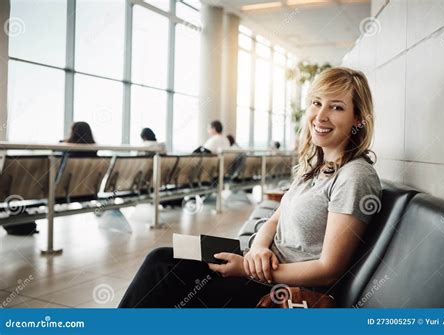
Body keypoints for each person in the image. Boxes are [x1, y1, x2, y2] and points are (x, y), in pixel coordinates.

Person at [119, 67, 382, 308]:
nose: (320, 115)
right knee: (164, 257)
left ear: (358, 118)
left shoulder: (355, 176)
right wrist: (257, 249)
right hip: (258, 262)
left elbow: (329, 270)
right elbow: (273, 220)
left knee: (162, 271)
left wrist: (246, 267)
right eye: (316, 103)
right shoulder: (316, 165)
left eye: (336, 107)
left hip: (277, 288)